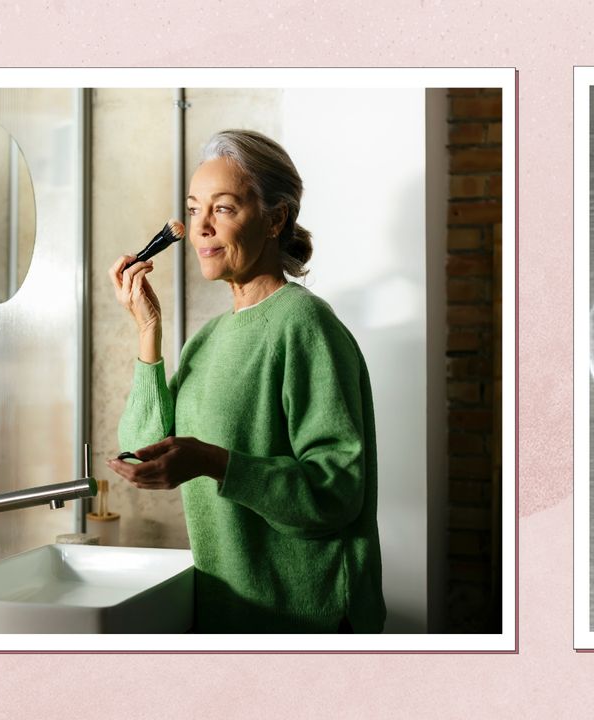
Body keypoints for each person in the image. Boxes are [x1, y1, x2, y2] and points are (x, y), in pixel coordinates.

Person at [107, 129, 385, 633]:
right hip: (228, 614)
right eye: (194, 210)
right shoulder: (208, 339)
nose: (201, 229)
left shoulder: (304, 325)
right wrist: (148, 329)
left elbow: (338, 491)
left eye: (224, 208)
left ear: (276, 218)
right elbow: (143, 448)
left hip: (309, 622)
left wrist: (216, 462)